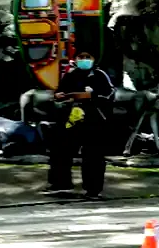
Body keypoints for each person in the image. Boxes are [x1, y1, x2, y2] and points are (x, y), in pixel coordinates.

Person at [45, 51, 115, 199]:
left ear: (93, 59)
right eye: (81, 57)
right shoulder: (70, 75)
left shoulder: (100, 75)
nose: (84, 60)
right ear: (75, 59)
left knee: (93, 155)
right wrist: (59, 96)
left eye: (87, 57)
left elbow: (109, 94)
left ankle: (93, 189)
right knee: (60, 150)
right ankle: (60, 184)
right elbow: (59, 93)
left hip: (93, 120)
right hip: (71, 118)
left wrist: (92, 96)